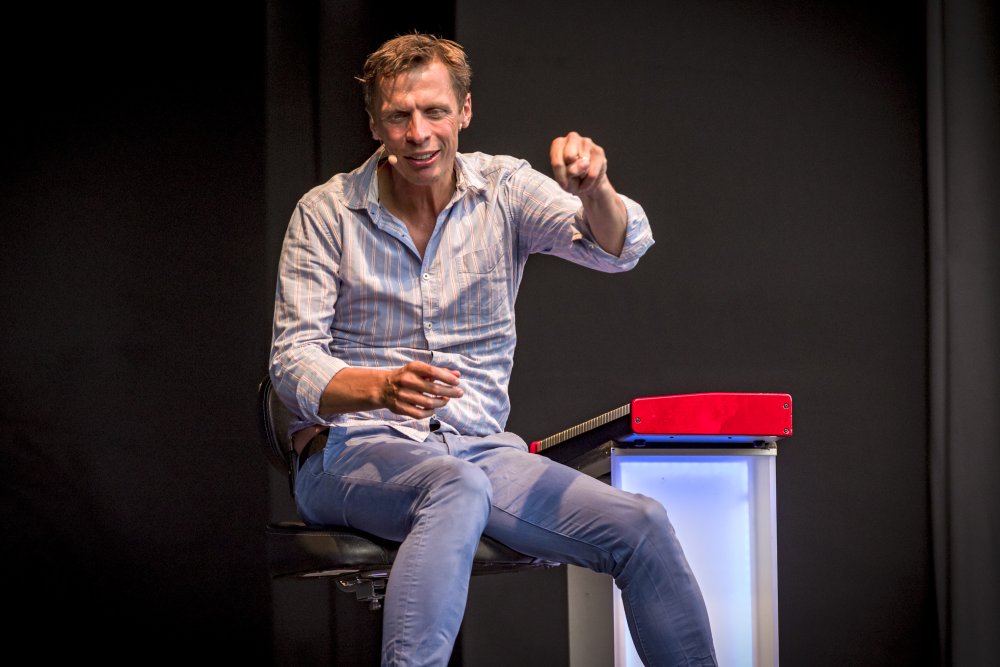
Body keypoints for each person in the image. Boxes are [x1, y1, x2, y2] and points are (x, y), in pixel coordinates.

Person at [269, 32, 717, 667]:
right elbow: (292, 361)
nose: (418, 134)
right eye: (398, 116)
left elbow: (618, 250)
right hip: (354, 450)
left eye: (435, 112)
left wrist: (594, 189)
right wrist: (381, 387)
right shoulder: (326, 213)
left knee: (640, 525)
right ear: (374, 124)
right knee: (453, 487)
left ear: (465, 111)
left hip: (480, 450)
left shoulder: (504, 188)